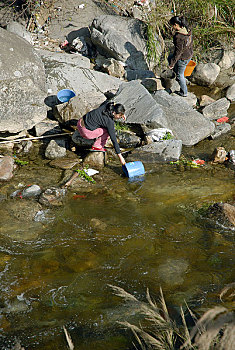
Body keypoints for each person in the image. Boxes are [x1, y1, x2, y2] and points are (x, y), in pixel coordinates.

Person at [77, 101, 126, 165]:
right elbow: (113, 139)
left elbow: (112, 103)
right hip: (85, 132)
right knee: (107, 131)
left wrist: (122, 114)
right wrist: (120, 157)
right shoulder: (109, 122)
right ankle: (97, 146)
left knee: (101, 124)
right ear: (114, 113)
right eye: (119, 115)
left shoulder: (106, 105)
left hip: (80, 122)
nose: (120, 117)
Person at [168, 16, 193, 97]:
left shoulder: (179, 37)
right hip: (189, 54)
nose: (172, 27)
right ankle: (176, 72)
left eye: (172, 25)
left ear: (176, 25)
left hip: (183, 58)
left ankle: (184, 92)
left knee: (180, 75)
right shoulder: (187, 29)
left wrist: (172, 64)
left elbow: (178, 52)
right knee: (170, 57)